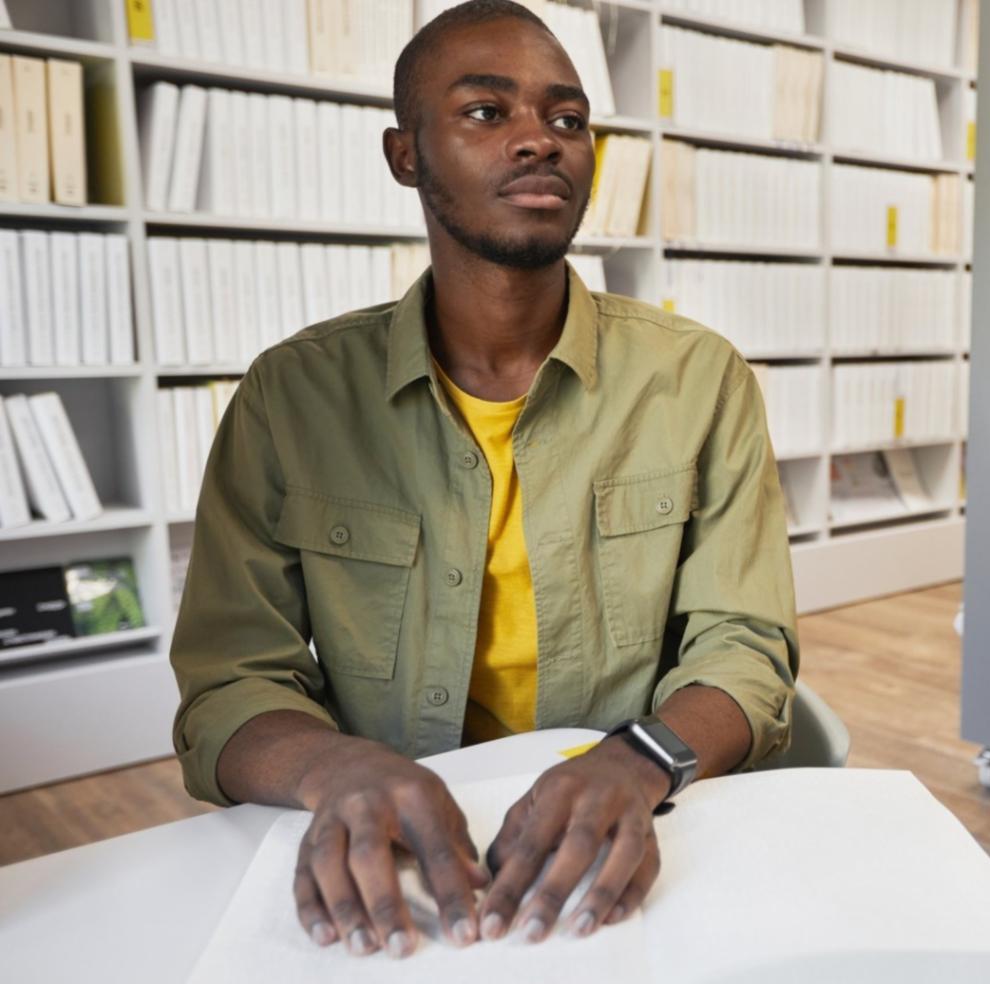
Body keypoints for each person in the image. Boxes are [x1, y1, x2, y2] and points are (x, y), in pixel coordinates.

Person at [169, 0, 798, 961]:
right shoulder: (289, 397)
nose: (539, 141)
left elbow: (745, 644)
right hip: (398, 858)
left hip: (629, 825)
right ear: (404, 154)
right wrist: (333, 770)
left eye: (567, 118)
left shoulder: (696, 378)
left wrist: (641, 759)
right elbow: (227, 680)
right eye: (484, 112)